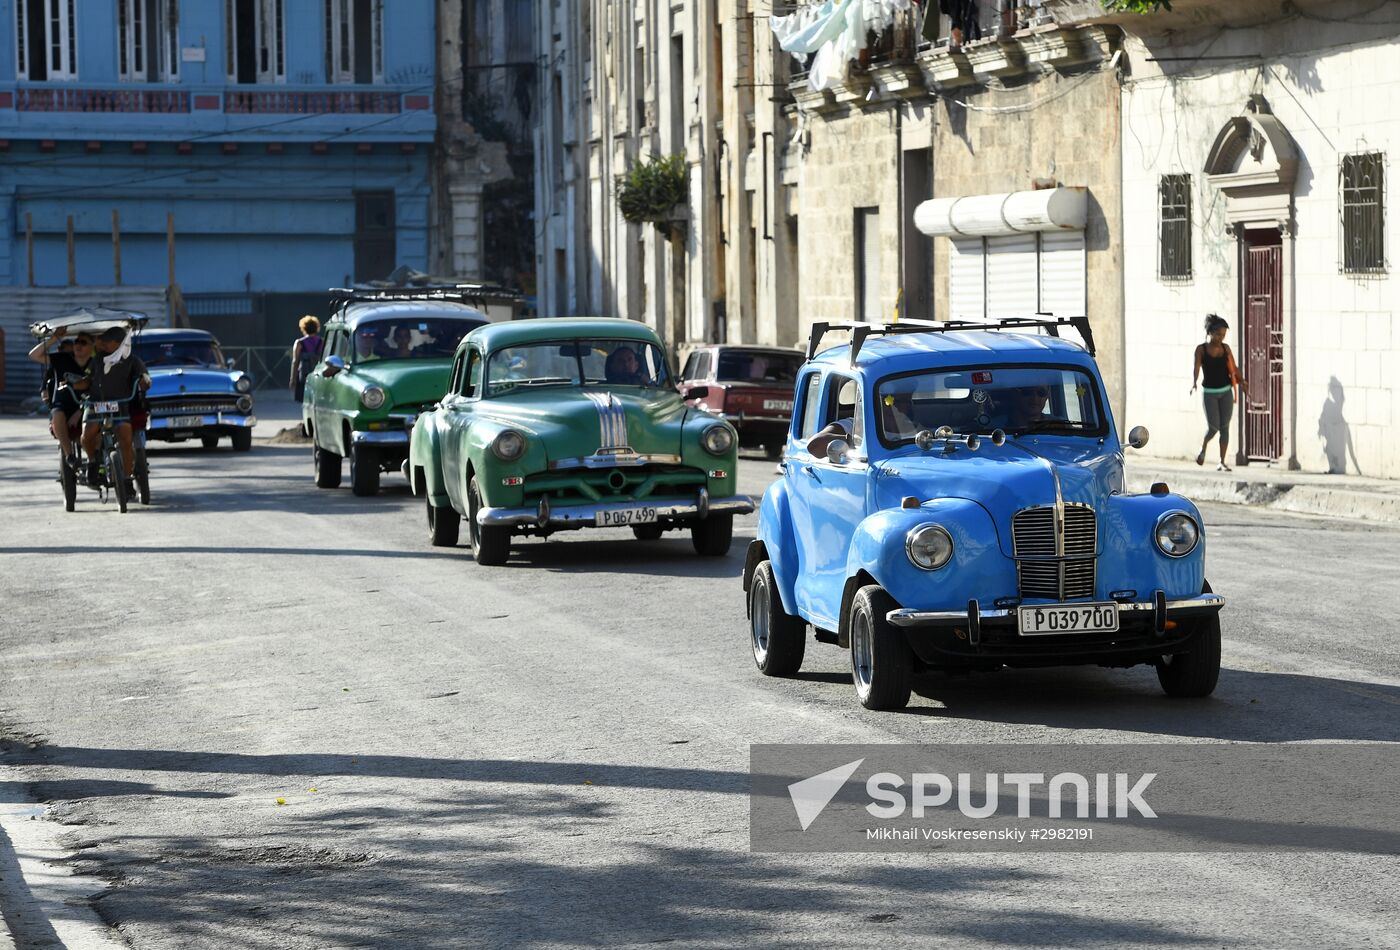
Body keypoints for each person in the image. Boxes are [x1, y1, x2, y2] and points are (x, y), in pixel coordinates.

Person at [77, 327, 150, 489]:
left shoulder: (132, 361)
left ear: (118, 344)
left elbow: (145, 380)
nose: (102, 343)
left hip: (120, 404)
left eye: (106, 341)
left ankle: (127, 479)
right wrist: (73, 384)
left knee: (126, 440)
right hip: (96, 404)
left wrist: (145, 382)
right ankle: (92, 462)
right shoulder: (97, 360)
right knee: (86, 436)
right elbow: (87, 380)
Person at [28, 327, 94, 463]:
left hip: (88, 406)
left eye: (83, 342)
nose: (78, 345)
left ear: (92, 346)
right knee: (57, 414)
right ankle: (69, 455)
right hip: (64, 405)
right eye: (76, 342)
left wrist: (79, 412)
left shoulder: (96, 363)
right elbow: (34, 355)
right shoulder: (63, 358)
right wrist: (54, 338)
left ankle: (96, 462)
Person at [1191, 314, 1244, 471]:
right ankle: (1204, 447)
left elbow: (1233, 368)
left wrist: (1242, 381)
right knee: (1213, 427)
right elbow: (1196, 367)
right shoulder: (1201, 349)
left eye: (1223, 335)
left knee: (1225, 427)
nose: (1221, 337)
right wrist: (1194, 382)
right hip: (1210, 393)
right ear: (1210, 332)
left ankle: (1222, 461)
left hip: (1226, 391)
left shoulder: (1225, 348)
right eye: (1218, 334)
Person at [289, 315, 323, 401]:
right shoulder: (321, 341)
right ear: (317, 327)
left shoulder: (299, 342)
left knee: (305, 400)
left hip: (304, 375)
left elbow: (295, 361)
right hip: (318, 375)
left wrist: (293, 379)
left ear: (304, 328)